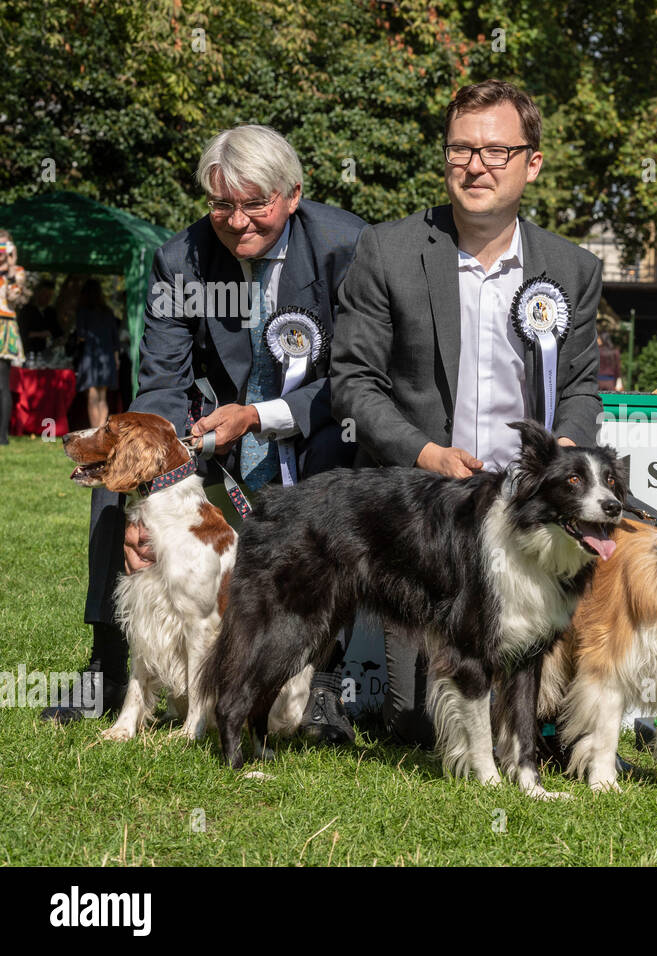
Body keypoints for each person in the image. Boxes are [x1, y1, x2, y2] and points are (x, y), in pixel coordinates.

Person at [43, 126, 366, 739]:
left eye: (255, 204)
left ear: (293, 195)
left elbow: (354, 377)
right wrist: (150, 487)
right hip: (209, 446)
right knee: (112, 484)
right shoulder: (179, 259)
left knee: (342, 461)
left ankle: (323, 682)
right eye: (222, 204)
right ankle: (108, 667)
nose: (237, 221)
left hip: (316, 432)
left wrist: (260, 415)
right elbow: (162, 383)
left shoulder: (347, 247)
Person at [331, 79, 603, 746]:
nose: (475, 165)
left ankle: (535, 727)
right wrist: (426, 455)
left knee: (527, 717)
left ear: (532, 163)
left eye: (496, 151)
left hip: (524, 511)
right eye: (460, 149)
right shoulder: (386, 251)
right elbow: (352, 382)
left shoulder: (572, 268)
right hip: (427, 508)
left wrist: (564, 460)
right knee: (419, 724)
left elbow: (581, 387)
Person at [71, 278, 120, 428]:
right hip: (107, 357)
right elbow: (115, 338)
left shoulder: (83, 312)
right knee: (102, 397)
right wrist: (116, 359)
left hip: (90, 356)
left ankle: (95, 430)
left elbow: (81, 335)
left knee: (92, 395)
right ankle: (100, 429)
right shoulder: (108, 312)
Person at [0, 231, 30, 446]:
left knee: (2, 383)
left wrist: (11, 266)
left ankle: (2, 436)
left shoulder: (17, 272)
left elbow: (14, 297)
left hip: (4, 327)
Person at [18, 279, 61, 355]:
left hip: (45, 352)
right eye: (45, 294)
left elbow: (58, 331)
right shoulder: (26, 310)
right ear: (38, 293)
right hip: (28, 351)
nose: (48, 298)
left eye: (50, 295)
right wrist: (40, 334)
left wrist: (50, 333)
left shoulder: (51, 312)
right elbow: (22, 332)